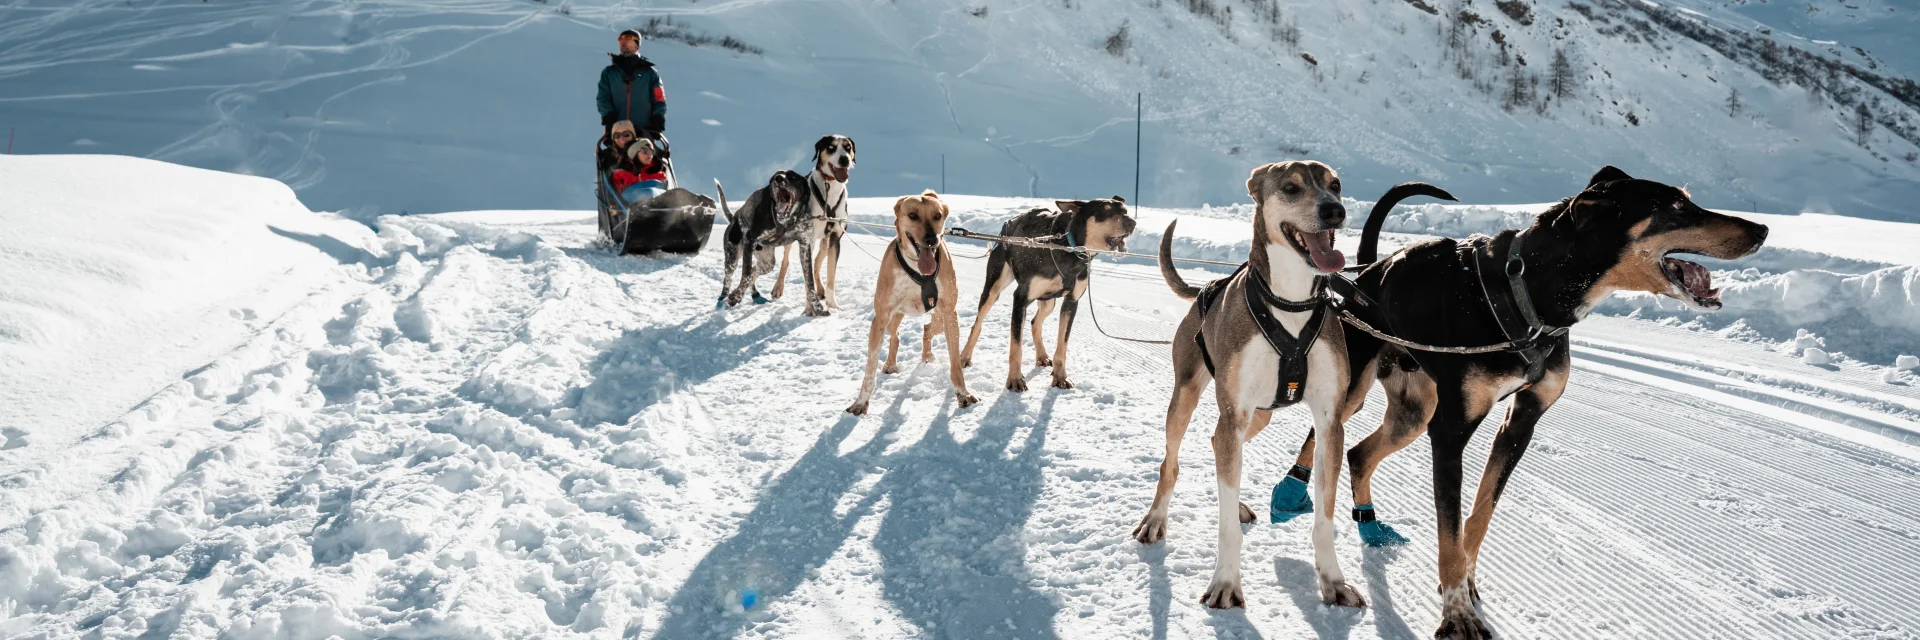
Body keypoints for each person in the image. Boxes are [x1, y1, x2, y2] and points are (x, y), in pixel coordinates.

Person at [597, 29, 666, 139]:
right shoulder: (609, 73)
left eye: (628, 38)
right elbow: (603, 98)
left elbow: (659, 99)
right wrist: (608, 116)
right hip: (617, 131)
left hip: (644, 130)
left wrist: (658, 118)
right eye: (620, 39)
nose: (623, 42)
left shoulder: (650, 73)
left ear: (637, 44)